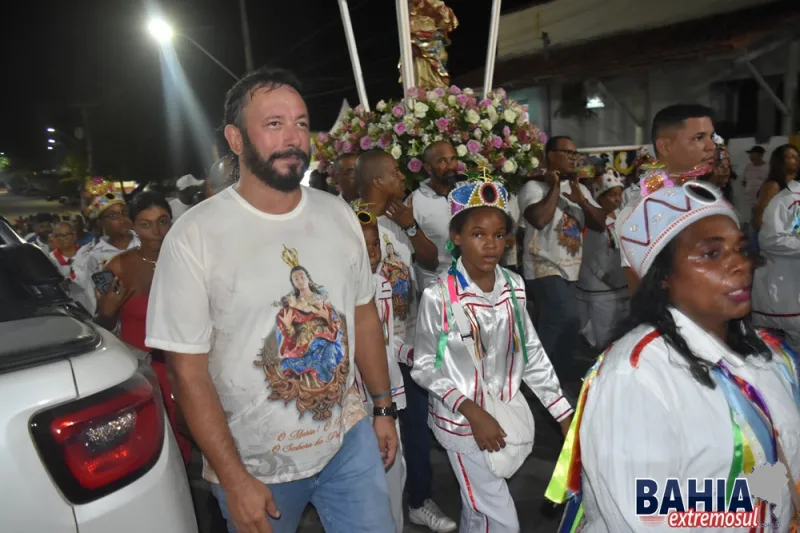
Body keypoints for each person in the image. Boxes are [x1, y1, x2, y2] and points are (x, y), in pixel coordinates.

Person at [145, 67, 398, 533]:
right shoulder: (195, 236)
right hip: (253, 460)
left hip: (348, 439)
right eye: (274, 123)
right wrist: (233, 477)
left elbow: (361, 317)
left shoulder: (339, 215)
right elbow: (187, 371)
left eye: (301, 123)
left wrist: (383, 408)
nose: (293, 137)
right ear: (236, 140)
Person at [548, 179, 800, 532]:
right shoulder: (636, 374)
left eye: (740, 249)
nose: (740, 265)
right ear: (663, 276)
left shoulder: (767, 356)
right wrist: (763, 499)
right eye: (711, 254)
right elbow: (646, 510)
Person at [413, 176, 573, 533]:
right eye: (478, 234)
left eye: (499, 235)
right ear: (456, 237)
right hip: (463, 421)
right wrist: (471, 411)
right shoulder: (440, 295)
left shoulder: (513, 286)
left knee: (479, 509)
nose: (491, 245)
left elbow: (529, 351)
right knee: (500, 517)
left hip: (502, 412)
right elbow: (423, 366)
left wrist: (561, 411)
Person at [354, 149, 455, 532]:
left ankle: (418, 501)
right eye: (395, 172)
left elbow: (430, 260)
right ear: (378, 180)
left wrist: (412, 226)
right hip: (372, 350)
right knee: (377, 436)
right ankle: (377, 510)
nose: (402, 178)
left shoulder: (398, 221)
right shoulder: (352, 221)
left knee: (414, 425)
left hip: (409, 343)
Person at [92, 191, 192, 464]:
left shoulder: (189, 259)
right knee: (156, 448)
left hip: (187, 363)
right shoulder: (117, 267)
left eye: (163, 221)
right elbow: (100, 325)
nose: (156, 232)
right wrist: (108, 310)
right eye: (145, 224)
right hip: (143, 371)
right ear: (133, 226)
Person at [518, 135, 606, 380]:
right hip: (542, 267)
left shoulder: (579, 188)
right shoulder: (533, 188)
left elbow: (600, 223)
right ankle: (537, 376)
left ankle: (558, 373)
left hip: (570, 268)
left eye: (573, 153)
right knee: (565, 317)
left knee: (565, 324)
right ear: (550, 155)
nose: (571, 158)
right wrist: (555, 186)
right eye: (566, 153)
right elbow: (539, 219)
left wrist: (582, 202)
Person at [351, 204, 408, 533]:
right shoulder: (342, 291)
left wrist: (415, 353)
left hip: (386, 397)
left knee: (394, 471)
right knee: (365, 483)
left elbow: (388, 341)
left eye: (375, 244)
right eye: (363, 244)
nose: (371, 252)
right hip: (356, 401)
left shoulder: (383, 285)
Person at [619, 104, 717, 294]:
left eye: (711, 137)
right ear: (665, 146)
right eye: (699, 138)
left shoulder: (704, 198)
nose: (711, 146)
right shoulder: (642, 210)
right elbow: (640, 290)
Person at [752, 144, 800, 353]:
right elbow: (761, 223)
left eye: (796, 156)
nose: (794, 161)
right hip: (775, 258)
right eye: (789, 157)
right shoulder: (775, 188)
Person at [576, 169, 628, 349]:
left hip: (621, 285)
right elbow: (590, 254)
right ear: (600, 197)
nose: (617, 199)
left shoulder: (624, 217)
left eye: (619, 194)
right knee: (605, 337)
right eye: (612, 195)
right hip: (601, 288)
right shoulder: (594, 221)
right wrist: (605, 275)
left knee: (622, 334)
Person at [72, 178, 140, 314]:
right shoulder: (95, 255)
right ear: (100, 223)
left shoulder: (144, 243)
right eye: (113, 215)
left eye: (124, 212)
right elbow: (90, 296)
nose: (122, 219)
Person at [408, 140, 461, 292]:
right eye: (442, 161)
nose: (450, 166)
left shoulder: (467, 193)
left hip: (470, 283)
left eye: (453, 159)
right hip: (435, 288)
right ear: (428, 168)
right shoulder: (415, 202)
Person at [753, 144, 799, 231]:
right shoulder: (773, 186)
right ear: (781, 161)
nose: (796, 159)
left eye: (797, 156)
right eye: (791, 157)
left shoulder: (796, 186)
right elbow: (759, 220)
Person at [48, 220, 92, 310]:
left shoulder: (87, 253)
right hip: (69, 307)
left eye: (68, 234)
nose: (65, 238)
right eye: (60, 235)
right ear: (55, 238)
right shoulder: (50, 259)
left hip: (92, 301)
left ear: (74, 235)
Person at [740, 145, 769, 225]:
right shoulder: (748, 167)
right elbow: (744, 181)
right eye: (750, 154)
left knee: (762, 221)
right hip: (751, 200)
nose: (751, 156)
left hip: (763, 200)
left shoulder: (768, 167)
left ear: (760, 155)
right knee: (753, 221)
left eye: (753, 154)